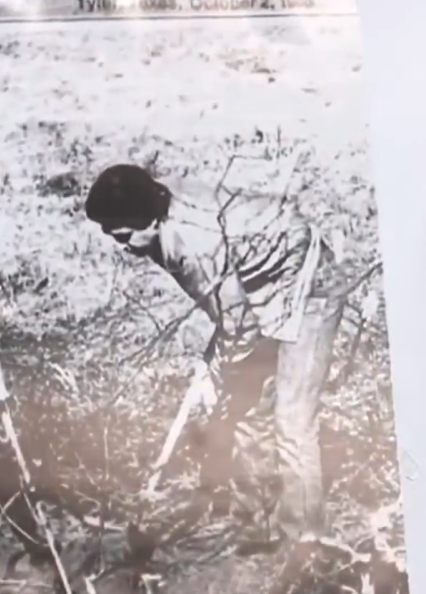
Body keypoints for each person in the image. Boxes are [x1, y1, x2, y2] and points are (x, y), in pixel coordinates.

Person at [84, 164, 344, 552]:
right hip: (258, 284)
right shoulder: (157, 209)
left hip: (309, 286)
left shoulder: (189, 245)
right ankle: (256, 525)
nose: (122, 246)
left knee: (292, 416)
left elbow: (238, 324)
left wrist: (219, 370)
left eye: (123, 235)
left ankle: (306, 543)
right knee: (246, 407)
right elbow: (228, 304)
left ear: (149, 220)